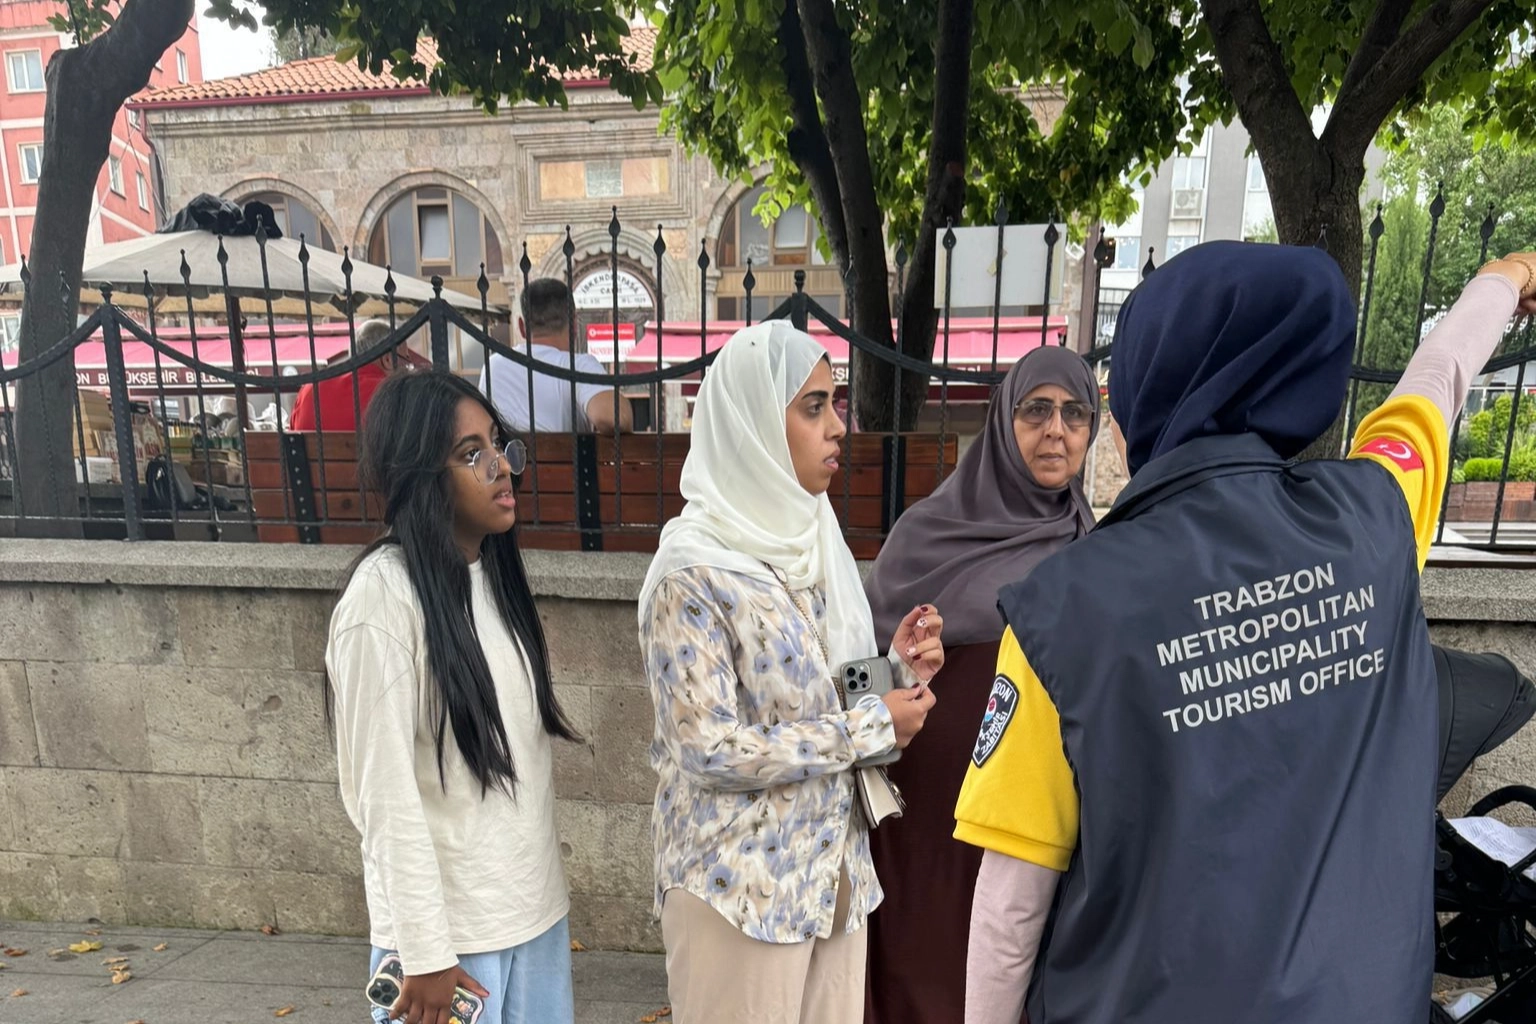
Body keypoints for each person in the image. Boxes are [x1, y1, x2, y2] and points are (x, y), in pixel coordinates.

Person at [954, 242, 1536, 1024]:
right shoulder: (1373, 520)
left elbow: (1011, 903)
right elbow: (1435, 384)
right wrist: (1503, 279)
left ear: (1137, 409)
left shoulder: (1060, 611)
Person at [638, 320, 946, 1023]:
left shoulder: (808, 544)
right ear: (751, 423)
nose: (838, 426)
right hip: (740, 890)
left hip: (829, 877)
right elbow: (709, 748)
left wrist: (893, 668)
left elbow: (809, 698)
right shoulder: (692, 575)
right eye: (813, 407)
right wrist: (868, 728)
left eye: (835, 403)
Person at [324, 369, 581, 1024]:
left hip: (531, 917)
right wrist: (425, 952)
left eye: (498, 443)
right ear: (419, 474)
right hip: (445, 948)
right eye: (471, 454)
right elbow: (382, 795)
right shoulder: (382, 600)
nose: (502, 466)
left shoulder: (494, 575)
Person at [862, 345, 1099, 1024]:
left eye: (1074, 414)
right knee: (915, 961)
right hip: (923, 807)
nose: (1056, 430)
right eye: (1036, 410)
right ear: (1003, 420)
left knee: (997, 965)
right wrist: (899, 668)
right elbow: (861, 671)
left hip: (1025, 812)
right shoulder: (925, 533)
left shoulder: (1093, 547)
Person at [480, 278, 634, 433]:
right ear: (574, 325)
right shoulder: (578, 366)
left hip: (506, 450)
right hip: (567, 450)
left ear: (522, 327)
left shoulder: (494, 366)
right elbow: (615, 419)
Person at [288, 319, 415, 432]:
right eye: (406, 360)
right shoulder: (395, 394)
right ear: (388, 359)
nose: (407, 368)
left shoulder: (309, 390)